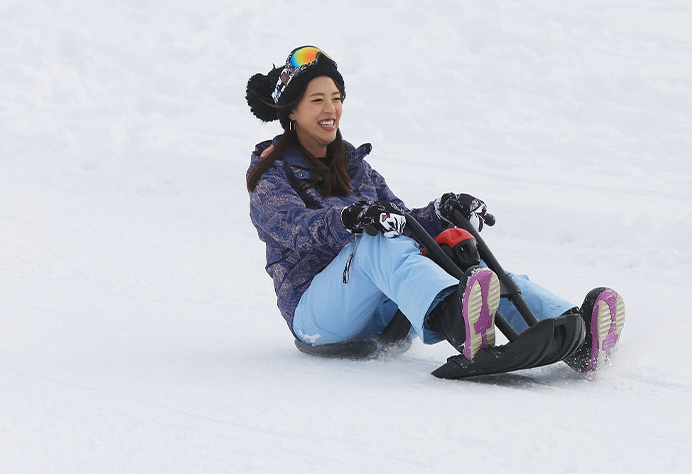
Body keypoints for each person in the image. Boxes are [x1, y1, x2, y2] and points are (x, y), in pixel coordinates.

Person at [245, 46, 625, 372]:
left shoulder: (353, 165)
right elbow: (295, 227)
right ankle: (462, 323)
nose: (331, 108)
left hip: (382, 312)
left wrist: (442, 212)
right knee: (375, 242)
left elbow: (402, 221)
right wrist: (352, 218)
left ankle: (575, 333)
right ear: (291, 111)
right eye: (317, 100)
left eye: (337, 98)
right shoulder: (270, 173)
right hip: (317, 316)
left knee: (452, 246)